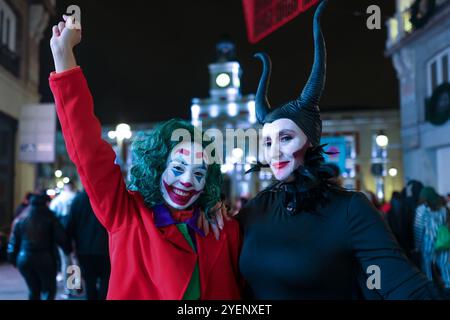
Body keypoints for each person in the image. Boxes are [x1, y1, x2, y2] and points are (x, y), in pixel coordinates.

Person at [236, 0, 441, 299]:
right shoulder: (257, 208)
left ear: (310, 141)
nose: (274, 152)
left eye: (285, 138)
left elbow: (404, 287)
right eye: (267, 142)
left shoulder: (350, 209)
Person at [48, 15, 241, 300]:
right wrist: (64, 57)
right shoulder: (127, 216)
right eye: (177, 167)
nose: (187, 180)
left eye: (199, 173)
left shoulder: (223, 230)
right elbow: (89, 152)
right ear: (157, 166)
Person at [7, 193, 71, 300]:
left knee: (33, 290)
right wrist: (68, 249)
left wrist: (12, 258)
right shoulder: (50, 217)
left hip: (24, 258)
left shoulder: (21, 217)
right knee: (48, 290)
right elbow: (61, 237)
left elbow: (13, 242)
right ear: (45, 203)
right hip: (45, 259)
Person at [66, 190, 110, 300]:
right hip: (106, 248)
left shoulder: (78, 200)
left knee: (90, 281)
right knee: (106, 279)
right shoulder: (106, 196)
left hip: (84, 249)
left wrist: (70, 247)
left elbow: (70, 225)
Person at [414, 187, 450, 289]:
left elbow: (418, 229)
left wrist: (417, 245)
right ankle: (448, 286)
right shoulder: (443, 208)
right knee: (445, 265)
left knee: (427, 266)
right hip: (443, 241)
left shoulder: (421, 210)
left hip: (428, 243)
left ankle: (431, 289)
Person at [50, 180, 78, 298]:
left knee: (65, 262)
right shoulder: (77, 198)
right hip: (76, 234)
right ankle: (76, 286)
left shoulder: (59, 199)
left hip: (63, 235)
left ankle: (69, 289)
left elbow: (52, 213)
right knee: (75, 261)